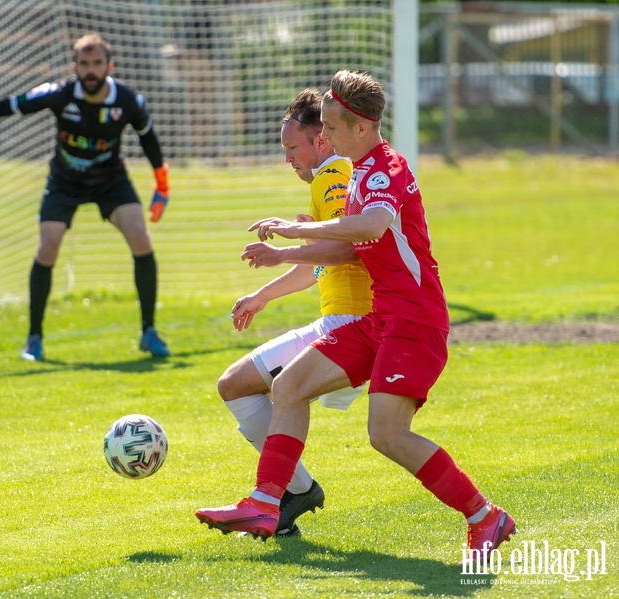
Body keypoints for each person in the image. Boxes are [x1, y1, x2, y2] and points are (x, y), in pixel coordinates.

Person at [196, 70, 515, 565]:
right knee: (287, 387)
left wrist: (294, 233)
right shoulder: (359, 172)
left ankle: (483, 516)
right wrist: (287, 252)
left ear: (361, 128)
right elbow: (352, 249)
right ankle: (264, 503)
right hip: (380, 318)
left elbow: (372, 223)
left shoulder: (384, 169)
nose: (324, 136)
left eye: (330, 127)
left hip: (414, 320)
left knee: (386, 434)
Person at [0, 34, 171, 360]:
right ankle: (34, 338)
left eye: (97, 63)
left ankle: (149, 331)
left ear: (109, 66)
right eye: (84, 64)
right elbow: (9, 105)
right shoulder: (58, 93)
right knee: (47, 246)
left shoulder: (128, 100)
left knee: (141, 237)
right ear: (74, 67)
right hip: (64, 181)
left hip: (110, 181)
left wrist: (162, 186)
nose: (90, 70)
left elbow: (149, 140)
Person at [217, 88, 373, 537]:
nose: (288, 158)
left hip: (352, 324)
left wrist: (282, 252)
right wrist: (262, 295)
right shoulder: (335, 177)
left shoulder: (332, 177)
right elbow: (321, 262)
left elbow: (350, 249)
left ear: (321, 141)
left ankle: (281, 495)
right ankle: (293, 493)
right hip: (338, 321)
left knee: (261, 388)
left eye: (292, 147)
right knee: (235, 384)